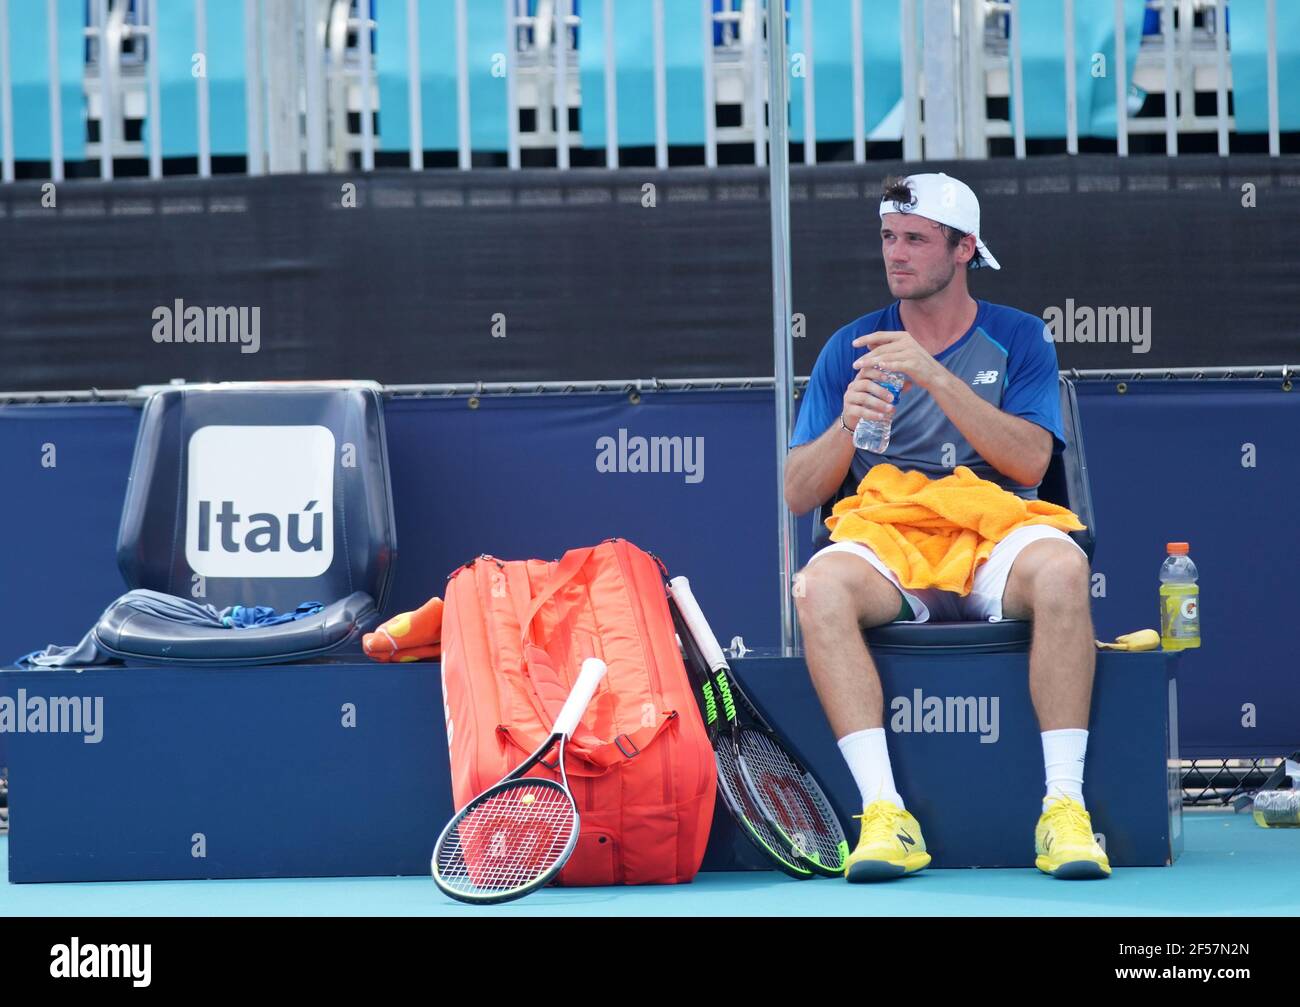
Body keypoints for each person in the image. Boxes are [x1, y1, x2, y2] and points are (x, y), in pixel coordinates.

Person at [784, 172, 1110, 882]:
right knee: (817, 587)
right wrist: (848, 420)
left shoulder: (1019, 337)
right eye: (888, 238)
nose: (895, 254)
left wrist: (934, 377)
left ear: (965, 249)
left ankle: (1065, 808)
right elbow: (798, 491)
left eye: (915, 240)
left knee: (1061, 567)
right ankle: (884, 814)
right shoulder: (849, 346)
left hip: (993, 532)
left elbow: (1028, 459)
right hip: (892, 539)